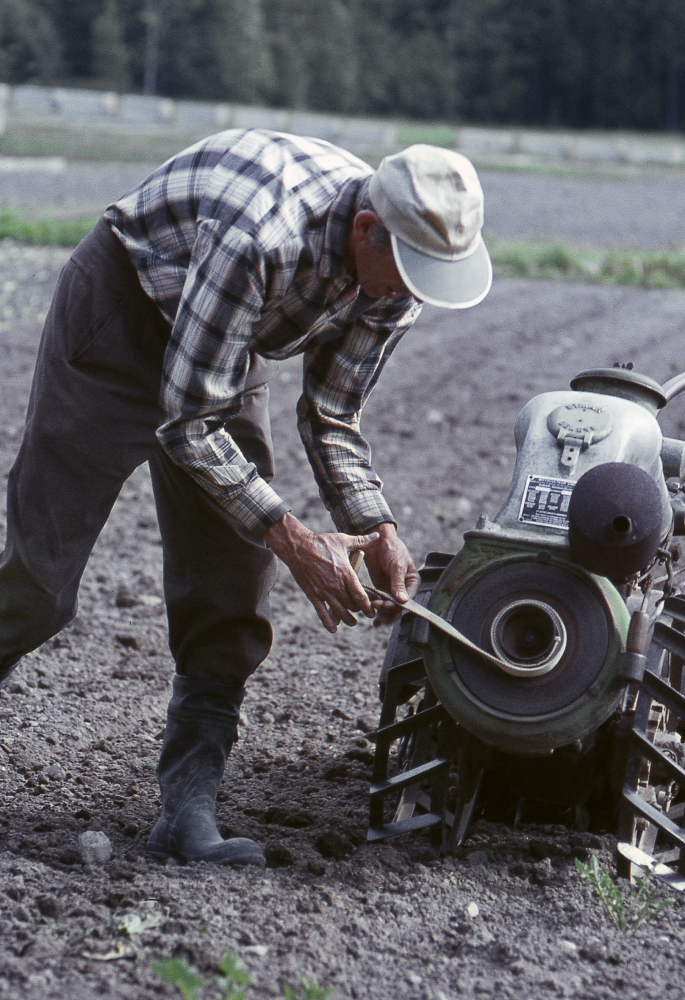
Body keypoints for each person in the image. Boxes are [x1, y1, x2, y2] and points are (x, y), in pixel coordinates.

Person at [0, 131, 492, 867]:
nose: (406, 295)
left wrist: (375, 526)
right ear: (366, 229)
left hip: (230, 341)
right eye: (404, 273)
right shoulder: (259, 233)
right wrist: (295, 539)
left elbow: (330, 413)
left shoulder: (395, 280)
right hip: (123, 313)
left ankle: (185, 812)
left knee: (232, 588)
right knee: (42, 580)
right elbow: (189, 424)